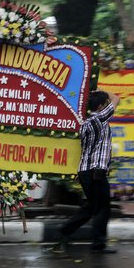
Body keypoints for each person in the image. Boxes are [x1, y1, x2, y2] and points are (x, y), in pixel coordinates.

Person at [49, 90, 121, 254]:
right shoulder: (99, 119)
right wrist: (101, 92)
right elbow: (116, 99)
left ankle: (65, 230)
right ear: (101, 105)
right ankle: (98, 244)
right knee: (102, 208)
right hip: (96, 171)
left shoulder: (85, 123)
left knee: (91, 206)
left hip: (85, 172)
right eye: (105, 103)